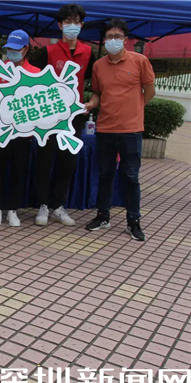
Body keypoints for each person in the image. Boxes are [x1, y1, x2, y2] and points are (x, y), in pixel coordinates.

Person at [84, 19, 155, 241]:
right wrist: (91, 103)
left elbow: (149, 90)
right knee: (105, 174)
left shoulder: (140, 61)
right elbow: (98, 93)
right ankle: (103, 216)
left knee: (131, 176)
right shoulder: (98, 66)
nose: (113, 40)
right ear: (104, 40)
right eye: (109, 37)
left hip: (131, 130)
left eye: (117, 36)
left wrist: (135, 108)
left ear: (125, 39)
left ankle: (133, 221)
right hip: (105, 128)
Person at [30, 3, 95, 227]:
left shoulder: (88, 52)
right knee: (44, 160)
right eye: (68, 22)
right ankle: (42, 204)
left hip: (74, 116)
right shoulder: (48, 52)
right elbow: (33, 81)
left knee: (67, 162)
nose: (72, 26)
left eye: (76, 22)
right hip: (48, 115)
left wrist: (90, 102)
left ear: (82, 25)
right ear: (60, 25)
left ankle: (58, 205)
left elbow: (92, 81)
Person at [0, 30, 39, 227]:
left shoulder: (35, 73)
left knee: (18, 170)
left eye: (16, 49)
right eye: (9, 49)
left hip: (23, 131)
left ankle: (13, 209)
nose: (11, 53)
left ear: (25, 49)